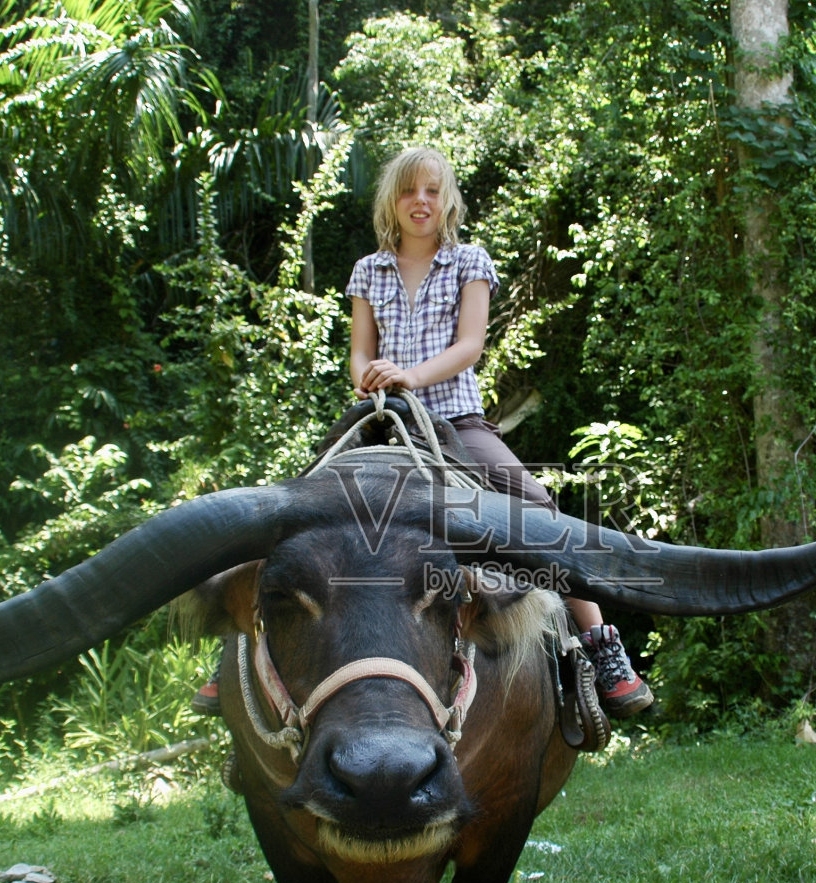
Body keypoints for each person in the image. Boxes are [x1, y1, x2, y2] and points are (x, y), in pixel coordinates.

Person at [196, 146, 652, 717]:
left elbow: (470, 346)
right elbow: (359, 356)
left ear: (447, 200)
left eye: (432, 191)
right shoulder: (369, 269)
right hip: (380, 425)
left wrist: (409, 375)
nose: (421, 201)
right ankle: (235, 651)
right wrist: (374, 377)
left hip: (454, 421)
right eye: (410, 190)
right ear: (394, 199)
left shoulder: (469, 262)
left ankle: (601, 648)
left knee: (536, 504)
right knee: (288, 511)